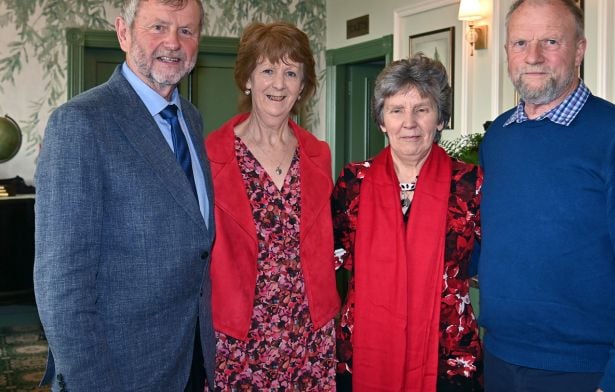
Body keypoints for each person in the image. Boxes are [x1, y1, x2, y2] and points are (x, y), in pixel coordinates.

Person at [477, 0, 615, 391]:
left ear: (579, 50)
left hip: (586, 371)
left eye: (550, 41)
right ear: (506, 53)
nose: (533, 56)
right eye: (520, 43)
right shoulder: (498, 136)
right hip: (500, 361)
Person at [33, 0, 215, 390]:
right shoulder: (81, 123)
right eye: (157, 28)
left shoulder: (192, 120)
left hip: (190, 360)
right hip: (119, 370)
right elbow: (60, 284)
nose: (173, 43)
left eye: (186, 30)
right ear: (123, 32)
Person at [333, 54, 483, 392]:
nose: (409, 122)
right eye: (396, 110)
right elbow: (331, 255)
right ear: (382, 120)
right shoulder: (352, 181)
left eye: (422, 109)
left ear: (441, 118)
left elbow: (492, 259)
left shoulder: (471, 183)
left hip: (448, 356)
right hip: (364, 351)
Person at [204, 21, 339, 391]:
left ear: (302, 87)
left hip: (309, 332)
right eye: (267, 70)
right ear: (247, 79)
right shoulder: (211, 155)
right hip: (238, 336)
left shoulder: (319, 155)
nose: (279, 84)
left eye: (291, 73)